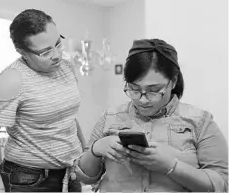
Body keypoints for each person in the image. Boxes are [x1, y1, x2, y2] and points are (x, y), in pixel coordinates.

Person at [74, 39, 228, 192]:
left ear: (173, 81)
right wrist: (96, 149)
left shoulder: (200, 122)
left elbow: (221, 185)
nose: (142, 99)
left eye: (153, 90)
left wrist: (171, 166)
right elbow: (84, 177)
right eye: (134, 89)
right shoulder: (110, 117)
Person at [0, 9, 86, 192]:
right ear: (22, 51)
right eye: (45, 52)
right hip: (28, 181)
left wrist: (85, 150)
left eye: (58, 44)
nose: (56, 55)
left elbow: (67, 117)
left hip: (69, 175)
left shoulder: (66, 68)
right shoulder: (12, 80)